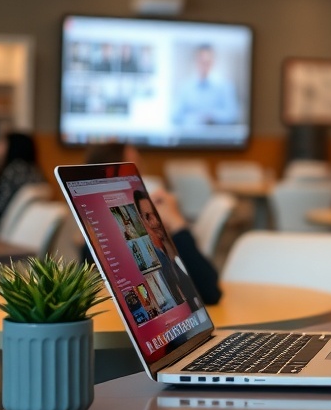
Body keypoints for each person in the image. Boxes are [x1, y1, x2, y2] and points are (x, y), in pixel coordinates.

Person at [80, 142, 222, 306]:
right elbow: (209, 290)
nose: (141, 178)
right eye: (136, 170)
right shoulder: (120, 241)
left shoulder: (97, 234)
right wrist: (178, 225)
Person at [135, 189, 222, 308]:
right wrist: (178, 226)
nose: (156, 221)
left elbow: (210, 289)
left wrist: (177, 227)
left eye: (155, 214)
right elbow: (209, 292)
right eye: (148, 217)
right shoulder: (149, 259)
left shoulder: (165, 255)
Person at [172, 44, 240, 126]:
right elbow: (175, 116)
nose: (204, 65)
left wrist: (211, 116)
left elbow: (232, 115)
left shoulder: (225, 86)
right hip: (190, 136)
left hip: (218, 137)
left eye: (207, 62)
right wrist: (195, 118)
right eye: (201, 61)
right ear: (196, 61)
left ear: (213, 62)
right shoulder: (185, 87)